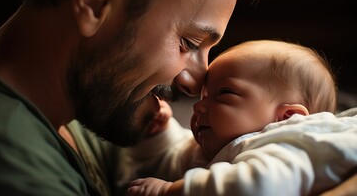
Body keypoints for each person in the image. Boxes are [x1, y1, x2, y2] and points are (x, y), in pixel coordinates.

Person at [0, 0, 272, 195]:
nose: (198, 83)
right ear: (96, 0)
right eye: (188, 43)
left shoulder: (86, 107)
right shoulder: (16, 162)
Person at [124, 40, 357, 196]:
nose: (199, 106)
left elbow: (256, 187)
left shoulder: (286, 143)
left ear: (287, 117)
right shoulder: (221, 145)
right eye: (204, 96)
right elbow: (179, 161)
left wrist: (170, 191)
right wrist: (160, 134)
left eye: (224, 93)